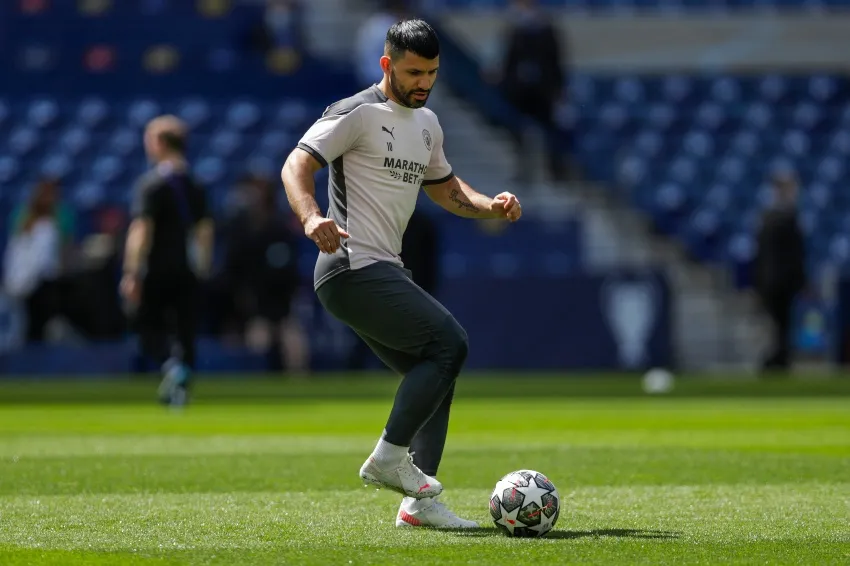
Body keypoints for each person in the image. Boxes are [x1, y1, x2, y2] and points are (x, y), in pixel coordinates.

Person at [280, 19, 522, 529]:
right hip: (349, 264)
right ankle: (389, 457)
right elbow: (295, 166)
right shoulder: (356, 112)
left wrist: (489, 206)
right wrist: (310, 219)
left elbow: (445, 187)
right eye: (413, 72)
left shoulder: (428, 124)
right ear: (387, 65)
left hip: (383, 267)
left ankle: (418, 503)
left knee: (436, 371)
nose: (423, 83)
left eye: (431, 73)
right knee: (450, 342)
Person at [121, 115, 214, 406]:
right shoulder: (195, 185)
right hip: (187, 268)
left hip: (156, 267)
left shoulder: (151, 185)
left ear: (159, 143)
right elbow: (204, 232)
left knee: (145, 324)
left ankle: (171, 368)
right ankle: (181, 385)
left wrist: (132, 271)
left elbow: (141, 229)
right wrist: (201, 268)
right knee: (184, 329)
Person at [754, 170, 806, 372]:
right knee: (780, 325)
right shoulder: (783, 218)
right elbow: (793, 255)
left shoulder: (769, 218)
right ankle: (777, 361)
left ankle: (778, 360)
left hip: (772, 281)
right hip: (780, 282)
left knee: (780, 326)